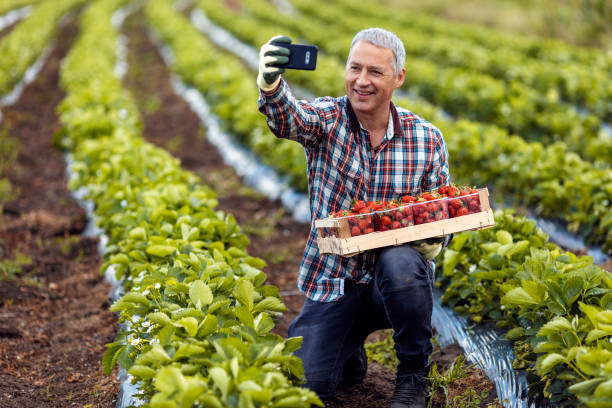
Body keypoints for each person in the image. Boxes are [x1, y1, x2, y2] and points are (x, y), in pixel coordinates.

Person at [257, 28, 451, 408]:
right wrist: (270, 82)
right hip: (334, 282)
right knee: (306, 386)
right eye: (354, 68)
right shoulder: (328, 120)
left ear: (398, 78)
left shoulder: (426, 140)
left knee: (401, 261)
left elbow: (441, 210)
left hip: (391, 285)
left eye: (375, 72)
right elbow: (289, 119)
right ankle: (348, 352)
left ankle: (413, 374)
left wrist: (433, 239)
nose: (362, 81)